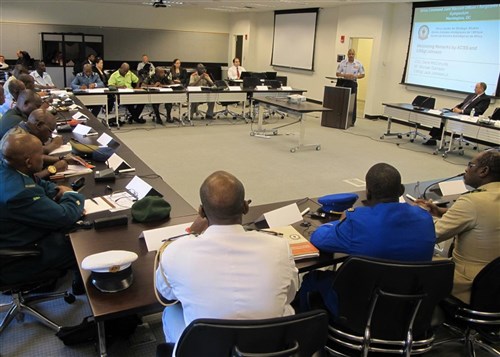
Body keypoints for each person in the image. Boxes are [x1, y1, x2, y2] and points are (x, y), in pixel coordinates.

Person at [155, 170, 298, 346]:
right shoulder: (279, 247)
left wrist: (192, 233)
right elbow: (290, 295)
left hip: (207, 349)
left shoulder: (175, 252)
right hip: (267, 347)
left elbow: (165, 294)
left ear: (201, 211)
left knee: (171, 311)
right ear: (246, 207)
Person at [298, 163, 435, 315]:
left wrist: (340, 222)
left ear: (368, 193)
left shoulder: (357, 221)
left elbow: (318, 239)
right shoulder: (425, 218)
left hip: (362, 311)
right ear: (401, 190)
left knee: (312, 279)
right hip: (411, 308)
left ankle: (307, 333)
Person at [0, 133, 85, 289]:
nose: (43, 157)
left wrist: (56, 190)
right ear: (29, 162)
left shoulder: (10, 168)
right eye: (40, 154)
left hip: (10, 237)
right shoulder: (20, 193)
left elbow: (38, 183)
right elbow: (65, 216)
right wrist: (71, 195)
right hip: (17, 258)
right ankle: (88, 291)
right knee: (84, 241)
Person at [417, 150, 500, 304]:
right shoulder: (489, 198)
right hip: (495, 284)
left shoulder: (472, 202)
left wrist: (420, 216)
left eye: (470, 165)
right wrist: (443, 212)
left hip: (471, 285)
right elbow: (485, 217)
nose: (466, 170)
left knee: (410, 264)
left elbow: (430, 236)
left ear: (484, 171)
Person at [424, 82, 491, 146]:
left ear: (481, 89)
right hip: (459, 112)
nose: (474, 89)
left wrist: (461, 111)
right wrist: (455, 108)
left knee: (445, 120)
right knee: (442, 115)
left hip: (469, 116)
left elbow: (478, 110)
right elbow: (463, 104)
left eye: (476, 87)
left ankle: (434, 138)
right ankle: (434, 137)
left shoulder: (485, 99)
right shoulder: (472, 95)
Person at [336, 48, 365, 125]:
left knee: (352, 102)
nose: (351, 55)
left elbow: (363, 74)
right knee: (341, 100)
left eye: (352, 54)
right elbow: (337, 73)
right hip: (343, 82)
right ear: (347, 54)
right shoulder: (343, 63)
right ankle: (340, 117)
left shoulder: (358, 63)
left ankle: (352, 121)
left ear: (354, 55)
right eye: (349, 54)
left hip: (353, 83)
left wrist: (354, 76)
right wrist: (345, 75)